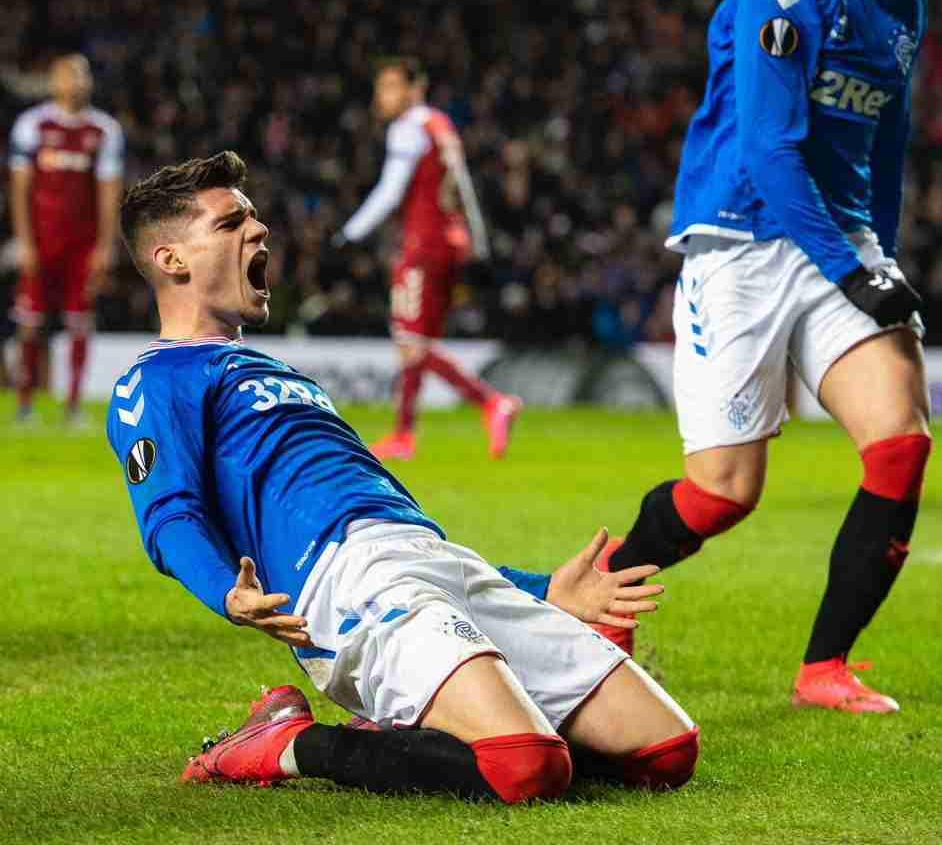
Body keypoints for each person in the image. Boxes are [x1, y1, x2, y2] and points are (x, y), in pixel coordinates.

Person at [106, 152, 698, 802]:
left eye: (253, 218)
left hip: (438, 561)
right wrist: (226, 592)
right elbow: (168, 515)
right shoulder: (155, 381)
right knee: (526, 767)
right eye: (230, 224)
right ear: (172, 261)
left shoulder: (282, 376)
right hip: (344, 584)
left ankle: (424, 721)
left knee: (665, 751)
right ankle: (291, 744)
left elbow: (383, 520)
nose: (260, 231)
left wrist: (543, 587)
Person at [597, 0, 930, 713]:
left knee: (899, 444)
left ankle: (824, 668)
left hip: (837, 236)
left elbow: (885, 146)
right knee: (723, 495)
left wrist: (877, 262)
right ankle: (604, 596)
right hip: (741, 241)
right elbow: (770, 149)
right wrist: (849, 269)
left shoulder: (901, 2)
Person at [334, 58, 522, 462]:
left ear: (415, 89)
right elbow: (464, 188)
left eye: (389, 87)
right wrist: (478, 239)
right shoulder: (442, 125)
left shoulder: (409, 128)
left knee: (411, 343)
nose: (380, 98)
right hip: (451, 242)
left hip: (422, 245)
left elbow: (390, 190)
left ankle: (491, 402)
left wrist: (350, 233)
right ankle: (405, 434)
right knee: (417, 344)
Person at [8, 54, 124, 423]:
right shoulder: (32, 125)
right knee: (29, 322)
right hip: (40, 242)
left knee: (79, 322)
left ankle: (73, 406)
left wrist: (105, 246)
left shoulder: (104, 130)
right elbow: (20, 188)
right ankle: (24, 403)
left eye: (81, 75)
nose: (75, 82)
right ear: (54, 81)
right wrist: (24, 241)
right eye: (67, 75)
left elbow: (109, 191)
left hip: (82, 245)